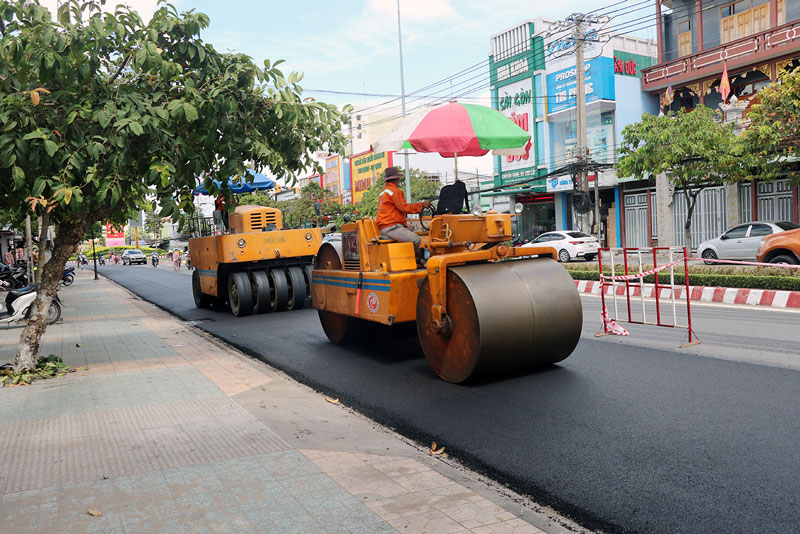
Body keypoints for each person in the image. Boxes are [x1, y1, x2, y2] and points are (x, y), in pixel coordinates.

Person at [375, 166, 431, 257]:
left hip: (384, 226)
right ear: (396, 179)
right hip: (391, 227)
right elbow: (404, 208)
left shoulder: (384, 191)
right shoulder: (396, 192)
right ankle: (413, 260)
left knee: (411, 228)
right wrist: (421, 205)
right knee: (416, 240)